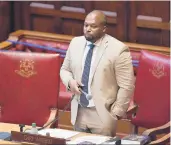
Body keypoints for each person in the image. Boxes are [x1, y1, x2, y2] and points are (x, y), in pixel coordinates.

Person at [60, 10, 135, 136]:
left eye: (93, 26)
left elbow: (127, 85)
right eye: (85, 25)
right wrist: (70, 82)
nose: (88, 29)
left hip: (103, 114)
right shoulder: (75, 43)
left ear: (104, 28)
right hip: (79, 111)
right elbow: (64, 69)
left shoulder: (118, 49)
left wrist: (116, 113)